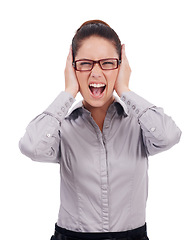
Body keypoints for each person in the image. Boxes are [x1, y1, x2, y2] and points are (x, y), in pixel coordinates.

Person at [19, 20, 182, 240]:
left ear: (121, 66)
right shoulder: (61, 126)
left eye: (107, 63)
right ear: (73, 68)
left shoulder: (140, 123)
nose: (96, 73)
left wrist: (124, 89)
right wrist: (68, 92)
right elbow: (31, 147)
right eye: (85, 63)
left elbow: (169, 136)